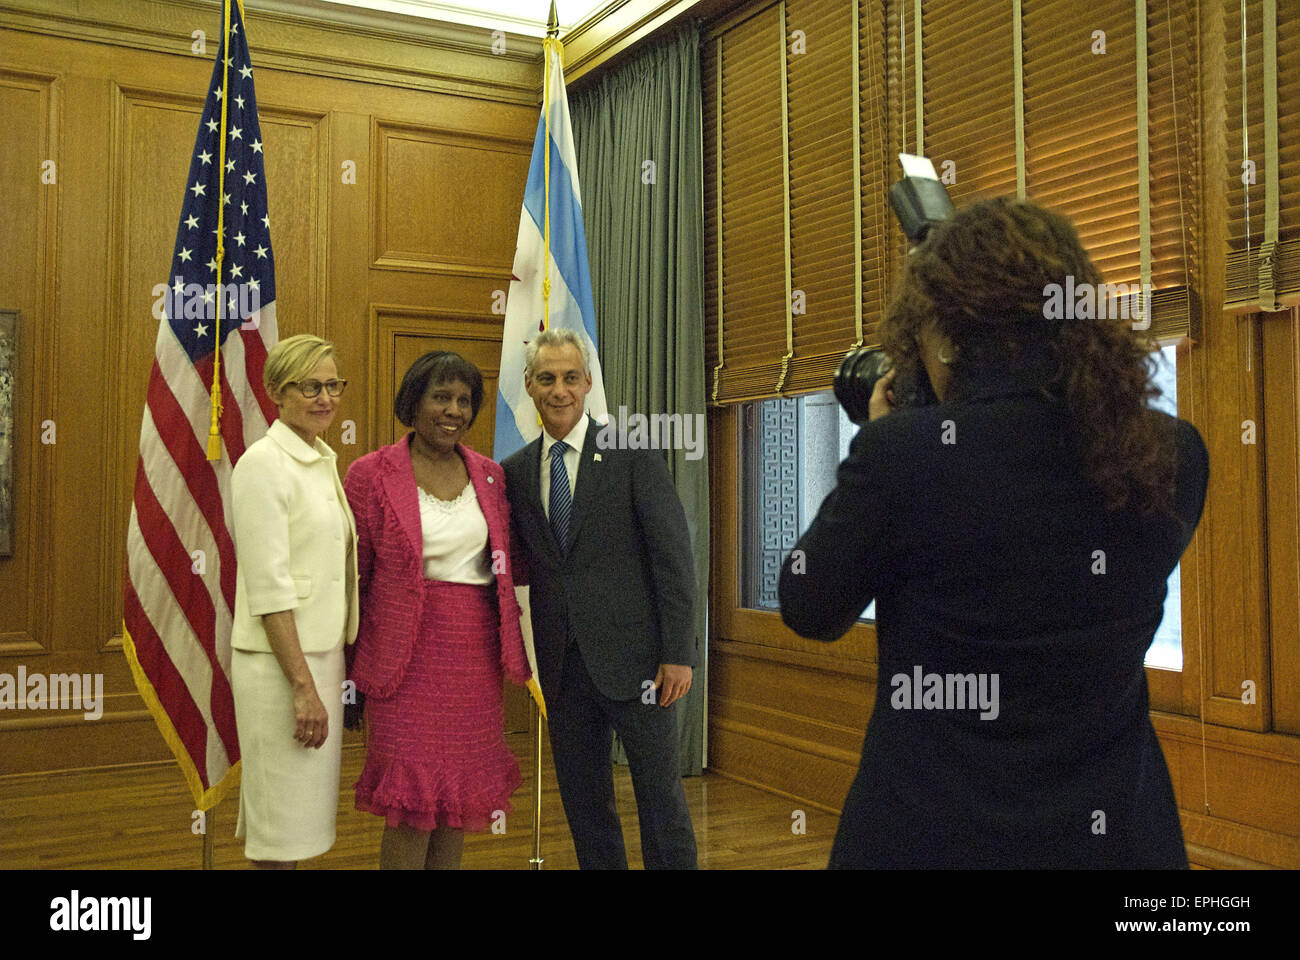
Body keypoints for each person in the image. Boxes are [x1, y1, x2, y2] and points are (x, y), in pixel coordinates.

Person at [779, 197, 1208, 869]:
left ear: (947, 334)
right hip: (1116, 836)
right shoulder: (1172, 453)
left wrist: (885, 439)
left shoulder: (903, 457)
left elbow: (810, 607)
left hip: (931, 835)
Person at [502, 328, 699, 870]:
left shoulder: (632, 452)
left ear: (588, 383)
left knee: (661, 804)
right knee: (586, 808)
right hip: (563, 671)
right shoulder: (516, 472)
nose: (559, 389)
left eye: (570, 377)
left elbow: (674, 560)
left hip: (643, 667)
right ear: (530, 386)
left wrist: (678, 652)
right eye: (547, 379)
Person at [344, 351, 531, 870]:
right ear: (415, 401)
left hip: (473, 657)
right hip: (402, 660)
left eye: (465, 401)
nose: (454, 410)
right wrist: (346, 674)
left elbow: (508, 565)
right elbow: (352, 580)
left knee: (456, 802)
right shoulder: (369, 474)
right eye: (441, 397)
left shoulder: (492, 477)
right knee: (409, 806)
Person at [229, 333, 358, 869]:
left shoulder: (319, 458)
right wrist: (303, 687)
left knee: (301, 824)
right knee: (277, 830)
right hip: (280, 669)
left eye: (332, 385)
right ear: (278, 393)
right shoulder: (263, 464)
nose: (325, 397)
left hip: (322, 659)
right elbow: (269, 588)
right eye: (311, 386)